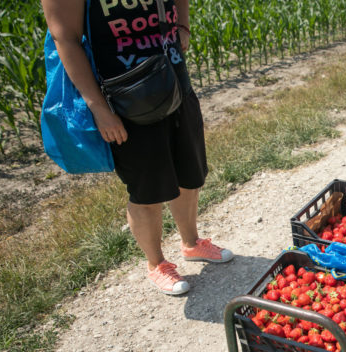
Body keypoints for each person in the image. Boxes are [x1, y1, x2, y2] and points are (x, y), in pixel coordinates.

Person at [42, 0, 232, 295]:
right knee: (147, 188)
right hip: (125, 96)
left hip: (174, 79)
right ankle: (156, 264)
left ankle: (191, 243)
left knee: (190, 171)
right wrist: (99, 107)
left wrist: (182, 26)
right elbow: (64, 37)